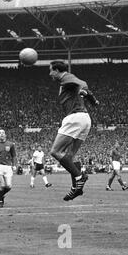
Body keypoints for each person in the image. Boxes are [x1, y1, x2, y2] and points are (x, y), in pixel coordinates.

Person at [48, 60, 99, 201]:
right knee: (70, 156)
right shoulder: (66, 82)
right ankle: (76, 188)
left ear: (57, 70)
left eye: (51, 70)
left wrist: (86, 92)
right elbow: (82, 86)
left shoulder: (65, 77)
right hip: (85, 119)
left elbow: (81, 83)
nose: (50, 73)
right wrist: (91, 98)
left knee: (55, 151)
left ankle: (79, 177)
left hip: (75, 118)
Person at [0, 129, 17, 208]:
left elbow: (14, 156)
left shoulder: (10, 144)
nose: (1, 134)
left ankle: (1, 195)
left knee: (8, 186)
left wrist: (14, 165)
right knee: (2, 185)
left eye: (3, 133)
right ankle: (0, 201)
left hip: (8, 167)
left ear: (5, 135)